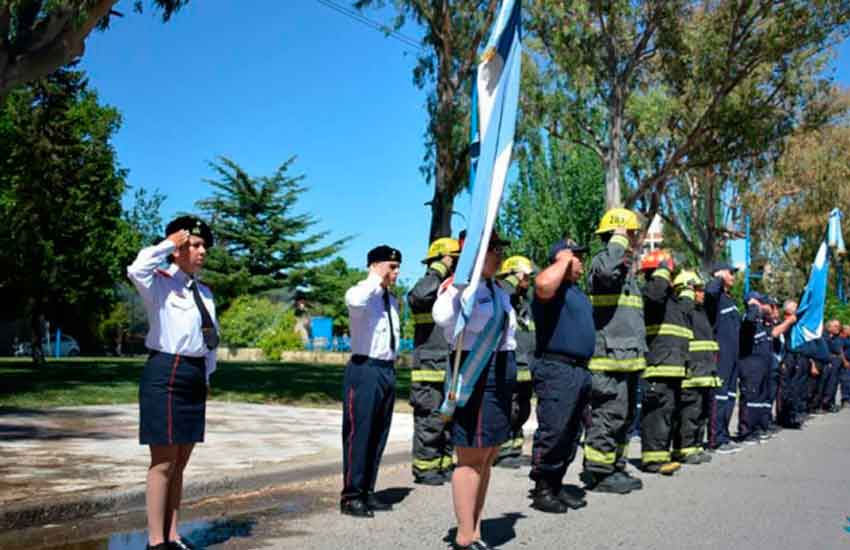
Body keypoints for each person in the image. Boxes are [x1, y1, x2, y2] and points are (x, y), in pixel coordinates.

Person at [127, 216, 219, 550]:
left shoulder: (205, 293)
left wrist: (206, 377)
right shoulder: (159, 284)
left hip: (194, 376)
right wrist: (168, 243)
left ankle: (173, 535)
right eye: (194, 245)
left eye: (203, 245)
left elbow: (210, 341)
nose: (201, 251)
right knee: (163, 461)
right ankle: (155, 542)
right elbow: (135, 268)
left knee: (180, 463)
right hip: (165, 373)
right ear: (178, 248)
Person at [433, 232, 517, 550]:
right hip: (476, 374)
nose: (499, 255)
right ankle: (464, 537)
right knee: (470, 456)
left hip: (500, 372)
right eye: (493, 250)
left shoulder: (497, 290)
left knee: (488, 455)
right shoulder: (462, 287)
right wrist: (458, 287)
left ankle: (476, 528)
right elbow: (441, 317)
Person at [527, 238, 594, 513]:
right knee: (554, 430)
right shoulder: (550, 285)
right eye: (575, 256)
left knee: (571, 432)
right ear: (562, 258)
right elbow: (541, 285)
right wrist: (563, 259)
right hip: (557, 368)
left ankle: (556, 484)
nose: (580, 260)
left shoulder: (576, 291)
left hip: (579, 370)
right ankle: (542, 488)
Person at [582, 208, 646, 494]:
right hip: (608, 360)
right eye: (629, 233)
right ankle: (599, 472)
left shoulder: (624, 270)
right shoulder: (602, 263)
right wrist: (617, 242)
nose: (633, 239)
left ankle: (615, 465)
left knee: (625, 416)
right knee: (608, 415)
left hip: (628, 360)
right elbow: (607, 272)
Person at [340, 245, 402, 518]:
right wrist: (376, 278)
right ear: (376, 265)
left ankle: (367, 490)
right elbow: (354, 302)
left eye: (397, 267)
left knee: (378, 433)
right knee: (359, 434)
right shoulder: (362, 293)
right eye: (391, 267)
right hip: (364, 369)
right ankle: (351, 495)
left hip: (386, 369)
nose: (396, 273)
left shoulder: (391, 300)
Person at [408, 237, 460, 486]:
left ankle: (443, 463)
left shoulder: (452, 289)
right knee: (430, 420)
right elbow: (418, 296)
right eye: (454, 259)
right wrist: (439, 268)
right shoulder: (426, 287)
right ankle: (425, 468)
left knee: (448, 419)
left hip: (449, 366)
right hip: (428, 369)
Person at [639, 264, 693, 475]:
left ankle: (661, 455)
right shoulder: (652, 295)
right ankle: (653, 460)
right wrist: (663, 270)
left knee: (667, 413)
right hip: (658, 366)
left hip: (673, 367)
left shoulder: (673, 302)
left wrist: (687, 286)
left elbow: (688, 309)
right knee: (656, 414)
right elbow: (655, 294)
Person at [494, 255, 537, 469]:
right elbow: (502, 292)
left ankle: (514, 448)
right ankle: (502, 451)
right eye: (526, 275)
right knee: (507, 408)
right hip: (509, 364)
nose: (529, 279)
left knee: (521, 409)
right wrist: (512, 279)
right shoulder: (501, 293)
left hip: (527, 366)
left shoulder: (525, 301)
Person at [674, 273, 720, 464]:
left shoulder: (701, 312)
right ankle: (685, 449)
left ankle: (696, 446)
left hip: (705, 371)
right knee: (689, 412)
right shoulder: (684, 311)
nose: (702, 294)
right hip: (692, 372)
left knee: (701, 412)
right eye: (698, 290)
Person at [704, 262, 742, 454]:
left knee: (729, 396)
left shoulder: (729, 299)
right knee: (719, 395)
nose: (733, 276)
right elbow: (710, 291)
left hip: (733, 355)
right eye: (731, 273)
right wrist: (718, 276)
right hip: (721, 353)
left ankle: (724, 435)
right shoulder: (715, 294)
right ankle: (715, 439)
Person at [737, 292, 773, 444]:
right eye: (762, 302)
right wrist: (752, 305)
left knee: (759, 398)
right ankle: (746, 431)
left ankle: (756, 427)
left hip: (761, 367)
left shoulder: (760, 322)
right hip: (750, 365)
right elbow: (749, 321)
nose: (766, 306)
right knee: (750, 397)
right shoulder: (748, 317)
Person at [824, 319, 845, 413]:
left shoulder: (838, 338)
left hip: (838, 364)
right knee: (829, 384)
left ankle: (830, 402)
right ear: (829, 327)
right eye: (835, 326)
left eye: (839, 326)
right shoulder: (825, 337)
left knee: (834, 384)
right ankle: (825, 403)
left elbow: (840, 350)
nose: (838, 328)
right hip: (830, 363)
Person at [841, 324, 850, 408]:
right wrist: (844, 361)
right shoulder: (843, 339)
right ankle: (845, 399)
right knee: (846, 381)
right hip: (846, 362)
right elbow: (841, 351)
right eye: (849, 330)